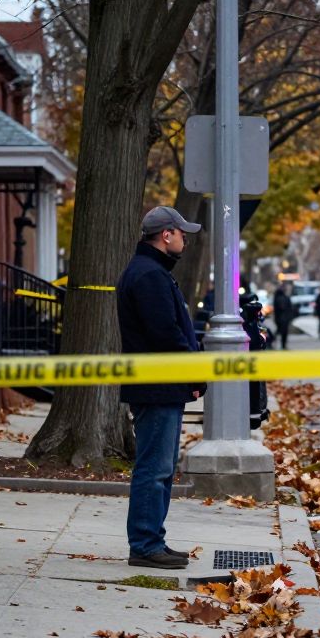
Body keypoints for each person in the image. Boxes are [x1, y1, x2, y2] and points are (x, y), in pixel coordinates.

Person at [117, 206, 205, 570]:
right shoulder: (150, 276)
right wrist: (195, 372)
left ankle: (153, 539)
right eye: (182, 232)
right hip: (157, 386)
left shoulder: (151, 272)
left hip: (160, 385)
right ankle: (145, 544)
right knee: (154, 468)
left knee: (161, 467)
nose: (185, 239)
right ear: (166, 234)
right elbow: (166, 335)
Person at [273, 283, 294, 349]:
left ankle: (277, 344)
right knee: (283, 332)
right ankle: (282, 345)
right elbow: (290, 308)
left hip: (280, 318)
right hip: (284, 318)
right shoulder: (285, 298)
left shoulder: (277, 297)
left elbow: (276, 309)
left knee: (280, 331)